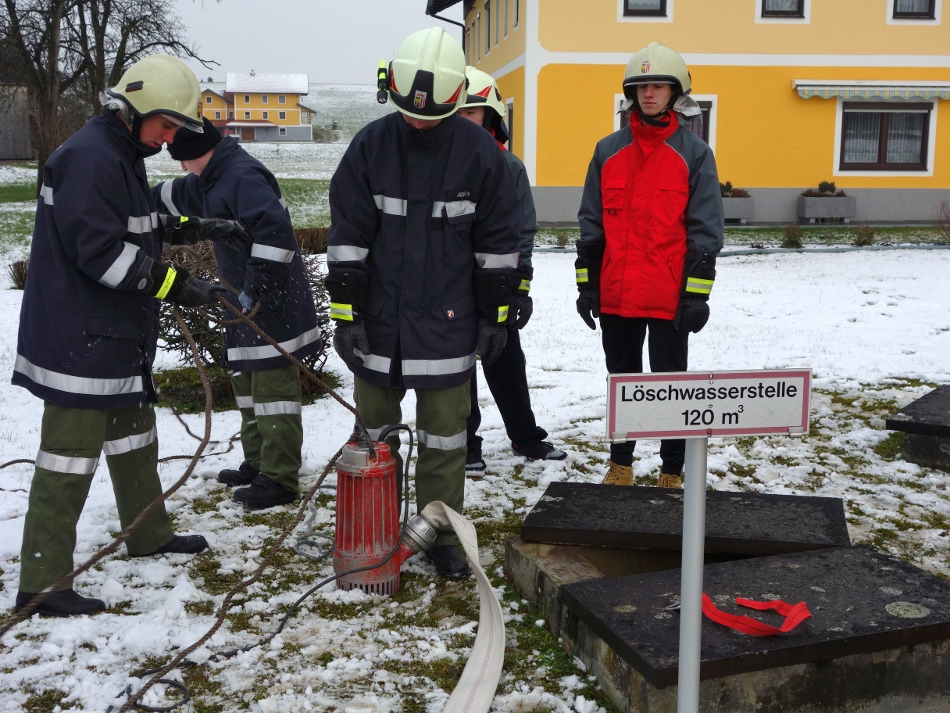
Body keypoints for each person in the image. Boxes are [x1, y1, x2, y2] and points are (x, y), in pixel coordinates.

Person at [11, 55, 224, 617]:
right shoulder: (90, 158)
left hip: (113, 334)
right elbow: (102, 253)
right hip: (79, 339)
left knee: (135, 438)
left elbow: (133, 223)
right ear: (135, 109)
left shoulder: (120, 153)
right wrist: (179, 285)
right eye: (167, 124)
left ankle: (147, 533)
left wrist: (194, 227)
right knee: (67, 459)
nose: (171, 137)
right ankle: (42, 584)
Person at [326, 27, 522, 579]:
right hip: (379, 322)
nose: (416, 123)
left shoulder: (480, 155)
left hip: (448, 321)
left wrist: (497, 318)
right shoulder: (370, 147)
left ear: (457, 98)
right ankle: (375, 528)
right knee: (374, 436)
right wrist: (347, 317)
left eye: (430, 116)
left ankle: (441, 535)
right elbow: (347, 241)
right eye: (409, 112)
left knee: (445, 437)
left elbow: (498, 246)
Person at [575, 42, 724, 488]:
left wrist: (696, 295)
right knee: (623, 383)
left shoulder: (694, 154)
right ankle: (620, 465)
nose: (649, 93)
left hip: (668, 296)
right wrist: (587, 286)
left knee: (669, 386)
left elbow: (705, 231)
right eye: (641, 87)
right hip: (617, 294)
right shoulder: (607, 151)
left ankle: (672, 470)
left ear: (675, 92)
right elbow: (591, 226)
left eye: (658, 85)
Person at [154, 118, 322, 510]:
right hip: (245, 303)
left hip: (272, 304)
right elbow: (173, 194)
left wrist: (254, 286)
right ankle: (258, 463)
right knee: (248, 386)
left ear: (200, 152)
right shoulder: (211, 178)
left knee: (273, 393)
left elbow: (276, 235)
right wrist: (128, 196)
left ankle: (280, 479)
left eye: (184, 159)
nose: (183, 168)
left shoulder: (242, 176)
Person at [456, 67, 566, 472]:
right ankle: (466, 444)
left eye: (472, 111)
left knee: (507, 361)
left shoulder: (510, 167)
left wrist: (520, 287)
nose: (464, 119)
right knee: (458, 369)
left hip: (497, 284)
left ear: (490, 115)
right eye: (457, 111)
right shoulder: (439, 166)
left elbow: (522, 231)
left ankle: (526, 436)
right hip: (450, 287)